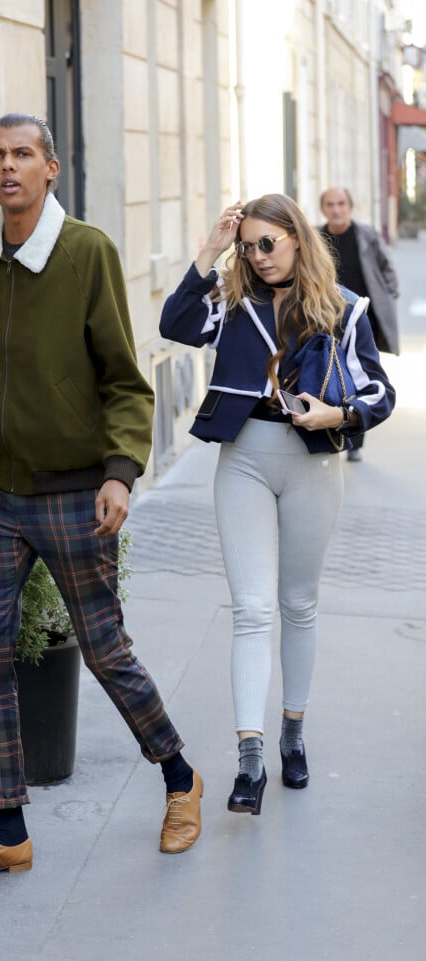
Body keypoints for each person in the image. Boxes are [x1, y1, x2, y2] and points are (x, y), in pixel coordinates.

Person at [0, 113, 202, 884]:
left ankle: (180, 778)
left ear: (51, 168)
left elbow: (124, 375)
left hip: (74, 491)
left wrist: (120, 469)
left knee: (104, 649)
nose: (9, 166)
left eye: (23, 154)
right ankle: (8, 828)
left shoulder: (86, 252)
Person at [160, 193, 395, 816]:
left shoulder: (344, 309)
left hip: (314, 462)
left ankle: (293, 732)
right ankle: (250, 757)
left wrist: (340, 413)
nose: (259, 257)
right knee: (252, 609)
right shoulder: (232, 305)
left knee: (298, 604)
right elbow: (175, 323)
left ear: (297, 238)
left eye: (270, 243)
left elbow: (379, 390)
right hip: (243, 457)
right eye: (249, 246)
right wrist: (211, 250)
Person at [319, 186, 399, 461]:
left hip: (363, 319)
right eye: (330, 204)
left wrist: (389, 295)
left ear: (350, 206)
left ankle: (355, 439)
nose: (336, 209)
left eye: (341, 203)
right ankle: (335, 431)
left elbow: (387, 268)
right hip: (328, 320)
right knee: (332, 377)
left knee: (362, 377)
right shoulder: (317, 239)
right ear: (323, 209)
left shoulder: (366, 235)